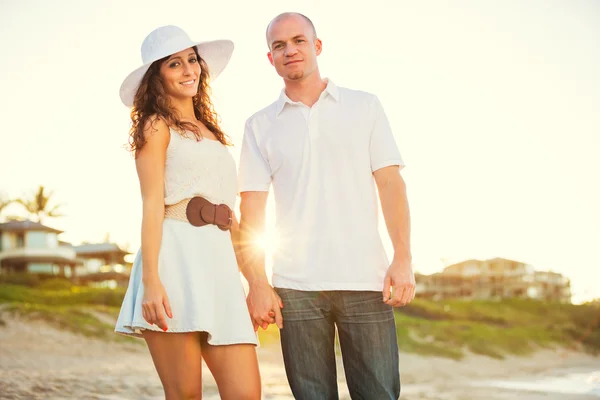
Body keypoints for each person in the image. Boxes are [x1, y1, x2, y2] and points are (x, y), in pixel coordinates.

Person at [238, 12, 415, 399]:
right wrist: (256, 283)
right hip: (295, 288)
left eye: (299, 41)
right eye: (279, 45)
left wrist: (402, 258)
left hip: (366, 281)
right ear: (270, 58)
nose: (290, 51)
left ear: (317, 47)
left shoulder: (364, 106)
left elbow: (390, 184)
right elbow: (250, 212)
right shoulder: (259, 125)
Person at [114, 25, 260, 400]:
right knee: (185, 396)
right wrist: (151, 280)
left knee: (246, 394)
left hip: (220, 270)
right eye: (174, 64)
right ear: (156, 78)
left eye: (192, 60)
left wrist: (256, 280)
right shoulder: (155, 125)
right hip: (174, 263)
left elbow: (230, 214)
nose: (188, 70)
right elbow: (151, 205)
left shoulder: (212, 131)